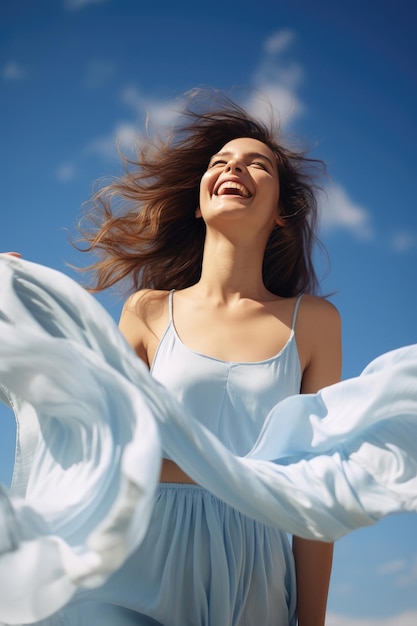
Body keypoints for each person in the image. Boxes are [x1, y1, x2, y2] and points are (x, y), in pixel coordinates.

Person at [0, 91, 416, 626]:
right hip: (137, 559)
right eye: (220, 161)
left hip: (251, 571)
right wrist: (20, 305)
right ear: (199, 203)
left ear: (283, 213)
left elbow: (318, 480)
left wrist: (311, 619)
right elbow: (96, 427)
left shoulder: (311, 322)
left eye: (256, 163)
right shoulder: (147, 310)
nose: (233, 167)